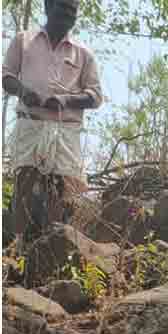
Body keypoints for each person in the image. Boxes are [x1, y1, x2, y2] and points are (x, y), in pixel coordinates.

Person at [2, 0, 102, 244]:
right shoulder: (23, 41)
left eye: (73, 11)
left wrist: (65, 100)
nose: (68, 14)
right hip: (30, 124)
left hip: (64, 131)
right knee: (25, 182)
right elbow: (6, 77)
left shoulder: (83, 53)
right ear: (48, 7)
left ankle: (55, 246)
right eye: (63, 8)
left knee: (62, 190)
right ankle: (18, 246)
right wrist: (24, 92)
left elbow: (95, 96)